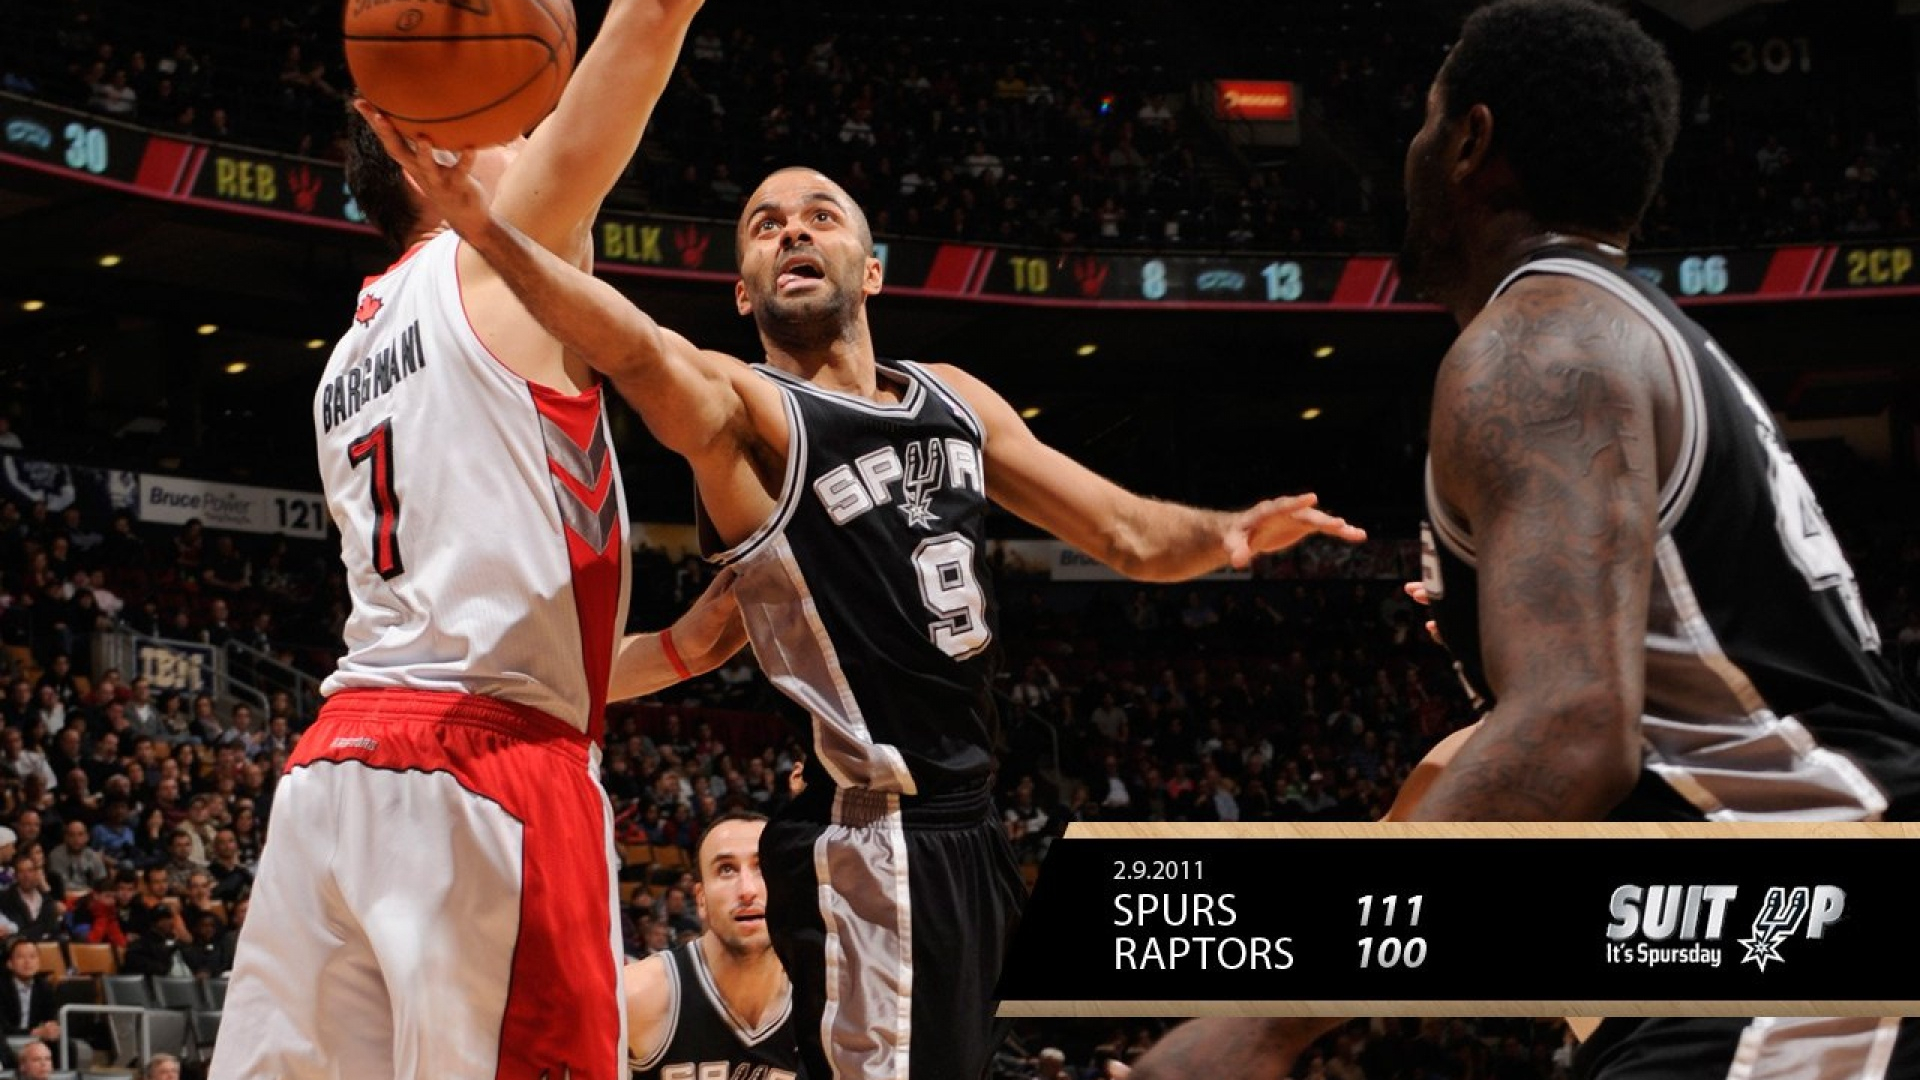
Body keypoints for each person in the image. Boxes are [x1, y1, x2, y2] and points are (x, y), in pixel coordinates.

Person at [359, 83, 1366, 1077]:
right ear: (744, 291)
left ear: (872, 270)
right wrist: (488, 230)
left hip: (975, 827)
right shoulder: (745, 412)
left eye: (820, 216)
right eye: (764, 226)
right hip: (873, 835)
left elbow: (1129, 535)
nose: (792, 231)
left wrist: (1229, 533)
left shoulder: (955, 398)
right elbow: (631, 345)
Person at [1132, 1, 1920, 1078]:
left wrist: (1254, 1028)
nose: (1411, 147)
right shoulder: (1619, 331)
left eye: (1426, 119)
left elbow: (1571, 727)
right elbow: (1561, 729)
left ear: (1471, 142)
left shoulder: (1540, 343)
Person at [206, 3, 742, 1079]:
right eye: (518, 128)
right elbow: (644, 28)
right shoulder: (497, 264)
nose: (538, 141)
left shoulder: (342, 364)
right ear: (440, 148)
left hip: (337, 774)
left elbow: (460, 633)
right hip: (488, 782)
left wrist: (678, 650)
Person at [625, 810, 800, 1080]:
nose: (747, 890)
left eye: (764, 867)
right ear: (701, 899)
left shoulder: (828, 1005)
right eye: (726, 869)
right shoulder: (637, 996)